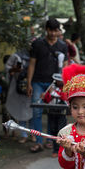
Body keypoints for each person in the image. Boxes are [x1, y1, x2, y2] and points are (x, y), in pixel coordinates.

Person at [27, 18, 68, 152]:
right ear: (46, 30)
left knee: (53, 112)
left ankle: (50, 141)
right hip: (37, 82)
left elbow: (66, 67)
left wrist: (65, 84)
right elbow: (32, 64)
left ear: (58, 31)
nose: (52, 33)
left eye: (55, 30)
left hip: (55, 84)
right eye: (50, 30)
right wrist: (29, 83)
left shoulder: (62, 46)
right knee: (36, 112)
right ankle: (39, 142)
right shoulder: (38, 44)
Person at [5, 49, 34, 143]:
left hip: (33, 85)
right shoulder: (17, 56)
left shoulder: (38, 54)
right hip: (19, 86)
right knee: (21, 111)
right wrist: (15, 70)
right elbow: (7, 68)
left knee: (33, 112)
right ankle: (24, 135)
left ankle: (33, 134)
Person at [42, 73, 67, 157]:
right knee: (53, 130)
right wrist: (44, 96)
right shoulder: (51, 87)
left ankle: (62, 149)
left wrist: (53, 92)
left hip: (61, 113)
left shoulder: (65, 88)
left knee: (61, 131)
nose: (57, 81)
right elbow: (47, 100)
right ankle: (55, 150)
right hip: (51, 112)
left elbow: (64, 98)